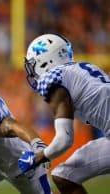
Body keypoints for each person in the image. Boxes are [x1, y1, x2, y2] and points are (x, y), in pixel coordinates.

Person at [18, 33, 110, 194]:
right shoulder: (84, 68)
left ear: (45, 61)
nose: (32, 72)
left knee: (64, 175)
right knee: (64, 175)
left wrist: (37, 159)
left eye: (33, 65)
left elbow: (64, 140)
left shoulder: (53, 78)